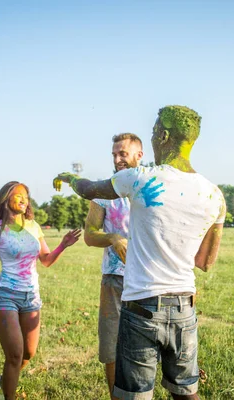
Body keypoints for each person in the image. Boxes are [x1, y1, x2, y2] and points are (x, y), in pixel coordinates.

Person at [54, 105, 226, 400]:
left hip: (140, 308)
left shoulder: (138, 178)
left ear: (163, 135)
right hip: (185, 308)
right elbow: (205, 262)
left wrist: (70, 177)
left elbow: (87, 188)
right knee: (186, 393)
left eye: (153, 132)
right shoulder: (214, 195)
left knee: (134, 397)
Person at [0, 181, 81, 400]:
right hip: (6, 295)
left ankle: (1, 383)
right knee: (14, 354)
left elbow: (46, 260)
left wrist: (63, 244)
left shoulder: (33, 226)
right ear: (6, 199)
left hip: (31, 297)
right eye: (19, 196)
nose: (24, 200)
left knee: (28, 353)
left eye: (26, 196)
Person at [84, 133, 143, 399]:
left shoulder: (151, 187)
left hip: (148, 280)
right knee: (112, 347)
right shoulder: (103, 194)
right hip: (114, 280)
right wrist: (112, 238)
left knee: (143, 349)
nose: (118, 159)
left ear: (139, 155)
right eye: (114, 154)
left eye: (123, 153)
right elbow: (89, 234)